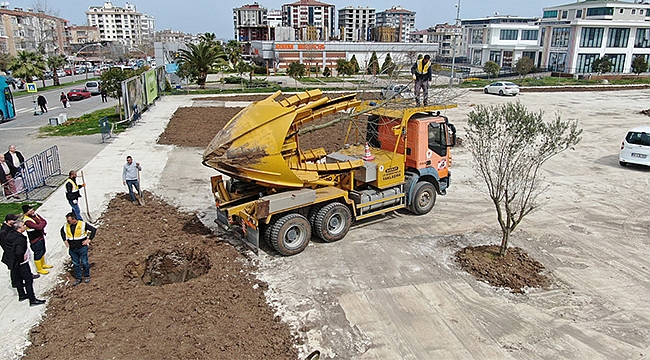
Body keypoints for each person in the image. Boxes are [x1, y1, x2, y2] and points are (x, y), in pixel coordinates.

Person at [1, 220, 46, 306]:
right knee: (28, 280)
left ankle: (21, 295)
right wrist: (21, 259)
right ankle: (32, 300)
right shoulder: (20, 239)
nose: (25, 226)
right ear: (18, 228)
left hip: (12, 262)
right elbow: (19, 252)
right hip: (21, 263)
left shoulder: (9, 235)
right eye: (23, 225)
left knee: (18, 279)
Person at [60, 212, 96, 286]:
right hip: (72, 249)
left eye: (69, 220)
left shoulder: (83, 224)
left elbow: (93, 230)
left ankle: (86, 276)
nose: (67, 222)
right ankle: (78, 278)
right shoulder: (66, 225)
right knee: (76, 263)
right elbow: (62, 232)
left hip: (82, 248)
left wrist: (89, 240)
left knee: (85, 262)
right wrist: (65, 241)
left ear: (74, 219)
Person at [22, 205, 52, 275]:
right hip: (35, 239)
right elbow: (39, 227)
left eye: (33, 210)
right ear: (26, 213)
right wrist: (41, 224)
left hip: (40, 237)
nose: (33, 211)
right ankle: (39, 269)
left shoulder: (35, 215)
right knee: (38, 253)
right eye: (31, 211)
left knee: (43, 251)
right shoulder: (27, 221)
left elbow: (44, 221)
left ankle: (43, 264)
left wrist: (41, 224)